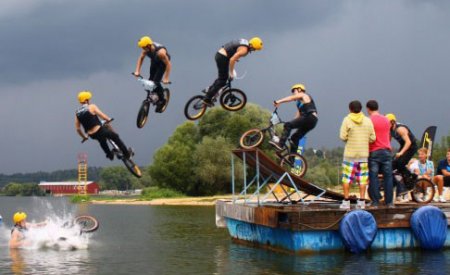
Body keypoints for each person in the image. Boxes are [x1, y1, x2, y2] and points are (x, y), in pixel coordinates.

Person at [203, 37, 263, 105]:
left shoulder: (245, 42)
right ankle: (207, 98)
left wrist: (235, 58)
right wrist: (231, 72)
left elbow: (233, 49)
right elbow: (232, 60)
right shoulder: (244, 50)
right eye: (254, 48)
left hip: (221, 55)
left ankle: (210, 89)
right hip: (222, 57)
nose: (254, 50)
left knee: (222, 78)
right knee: (223, 80)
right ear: (251, 45)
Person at [339, 100, 376, 209]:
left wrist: (350, 138)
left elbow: (342, 136)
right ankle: (361, 202)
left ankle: (346, 202)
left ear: (350, 109)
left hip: (350, 154)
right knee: (363, 179)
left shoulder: (347, 120)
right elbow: (373, 138)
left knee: (346, 178)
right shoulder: (368, 121)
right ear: (361, 109)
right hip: (363, 154)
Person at [75, 91, 132, 160]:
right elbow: (102, 116)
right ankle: (127, 154)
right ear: (86, 100)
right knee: (115, 137)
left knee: (102, 140)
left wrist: (84, 137)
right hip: (100, 131)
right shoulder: (91, 106)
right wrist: (108, 119)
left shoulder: (77, 112)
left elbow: (78, 128)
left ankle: (109, 155)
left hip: (92, 135)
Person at [270, 84, 318, 154]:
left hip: (309, 117)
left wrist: (278, 101)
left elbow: (291, 98)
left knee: (288, 125)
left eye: (294, 91)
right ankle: (292, 159)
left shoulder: (304, 95)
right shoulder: (299, 104)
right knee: (294, 138)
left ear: (299, 90)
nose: (293, 93)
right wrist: (290, 124)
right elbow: (297, 118)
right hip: (311, 121)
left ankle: (280, 144)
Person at [366, 100, 393, 207]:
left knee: (373, 176)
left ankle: (375, 201)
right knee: (388, 176)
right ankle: (389, 202)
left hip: (374, 151)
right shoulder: (386, 120)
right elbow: (389, 135)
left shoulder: (368, 121)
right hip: (386, 151)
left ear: (368, 109)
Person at [385, 113, 418, 201]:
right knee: (393, 165)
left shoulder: (400, 129)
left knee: (400, 163)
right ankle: (403, 184)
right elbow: (388, 141)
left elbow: (408, 142)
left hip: (411, 147)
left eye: (387, 123)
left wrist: (401, 153)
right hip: (403, 146)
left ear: (392, 122)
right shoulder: (390, 130)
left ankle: (412, 177)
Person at [134, 35, 171, 112]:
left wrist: (166, 78)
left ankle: (162, 100)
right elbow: (141, 58)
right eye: (142, 48)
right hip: (154, 60)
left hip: (163, 63)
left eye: (144, 47)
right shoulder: (146, 49)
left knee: (156, 82)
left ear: (148, 45)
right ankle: (154, 95)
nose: (143, 49)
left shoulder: (161, 52)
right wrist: (137, 71)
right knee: (150, 80)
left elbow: (168, 64)